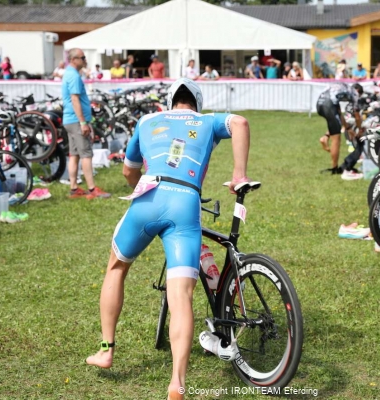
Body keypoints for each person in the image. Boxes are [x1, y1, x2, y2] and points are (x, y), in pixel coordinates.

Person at [84, 78, 252, 400]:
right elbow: (241, 123)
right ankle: (177, 382)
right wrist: (238, 174)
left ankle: (106, 350)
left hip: (148, 196)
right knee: (181, 296)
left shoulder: (148, 120)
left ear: (170, 101)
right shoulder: (206, 121)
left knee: (116, 268)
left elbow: (128, 172)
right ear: (197, 104)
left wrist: (139, 185)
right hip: (185, 202)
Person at [62, 48, 111, 200]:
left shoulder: (69, 73)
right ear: (74, 60)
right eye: (82, 58)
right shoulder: (74, 76)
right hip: (76, 121)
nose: (85, 60)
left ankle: (74, 188)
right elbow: (75, 99)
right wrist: (83, 122)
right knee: (86, 155)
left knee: (74, 155)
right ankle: (92, 189)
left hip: (69, 120)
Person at [316, 82, 355, 174]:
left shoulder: (341, 89)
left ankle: (325, 137)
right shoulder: (354, 93)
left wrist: (348, 128)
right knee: (336, 139)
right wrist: (356, 129)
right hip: (328, 105)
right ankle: (334, 168)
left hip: (320, 103)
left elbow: (339, 114)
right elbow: (356, 115)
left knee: (336, 124)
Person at [339, 84, 366, 181]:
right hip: (353, 128)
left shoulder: (349, 102)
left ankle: (345, 166)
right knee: (358, 148)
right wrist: (360, 129)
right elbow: (357, 117)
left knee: (357, 148)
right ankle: (347, 169)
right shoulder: (355, 101)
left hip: (348, 127)